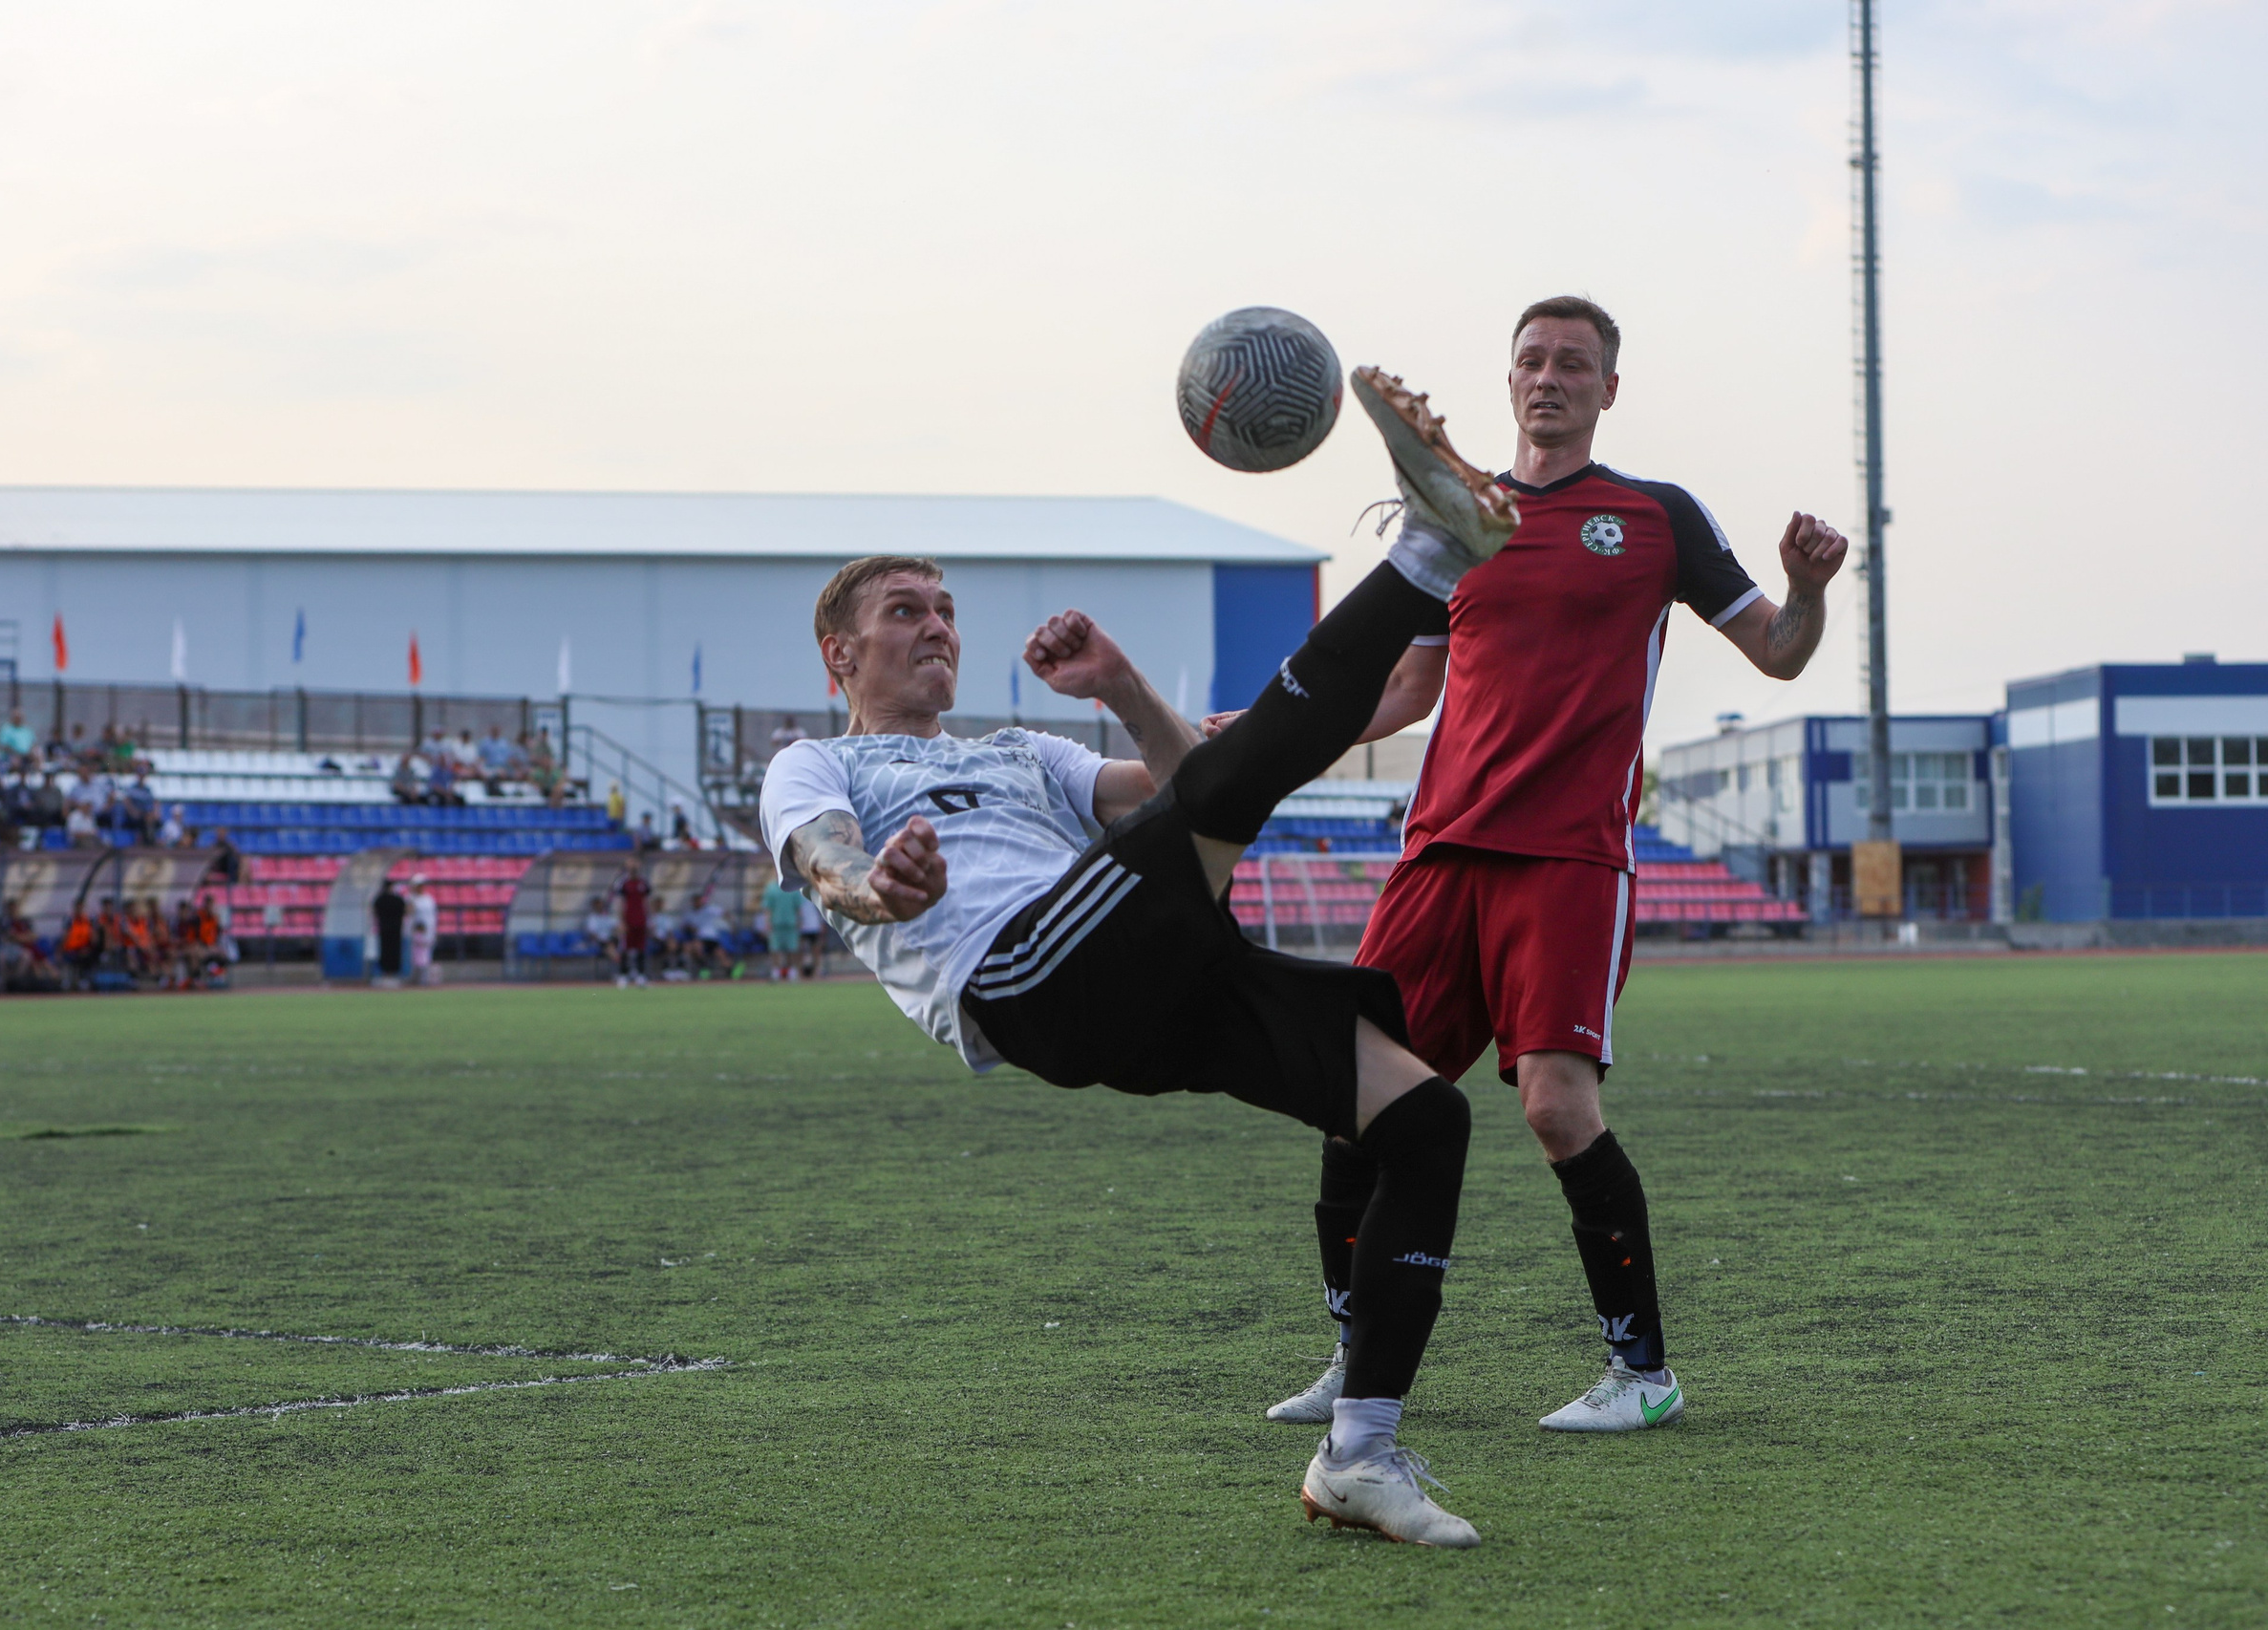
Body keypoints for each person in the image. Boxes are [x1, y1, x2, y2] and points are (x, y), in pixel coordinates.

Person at [761, 432, 1516, 1548]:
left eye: (946, 607)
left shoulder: (1022, 748)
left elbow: (1181, 779)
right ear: (840, 653)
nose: (937, 625)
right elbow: (826, 860)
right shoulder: (817, 763)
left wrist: (1116, 681)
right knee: (1228, 784)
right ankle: (1427, 553)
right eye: (905, 610)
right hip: (1030, 974)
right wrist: (878, 884)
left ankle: (1357, 1452)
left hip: (1151, 970)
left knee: (1423, 1115)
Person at [1215, 298, 1850, 1437]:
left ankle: (1641, 1369)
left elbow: (1778, 651)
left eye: (1573, 363)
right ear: (1506, 383)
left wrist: (1805, 590)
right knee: (1351, 1093)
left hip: (1568, 857)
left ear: (1609, 390)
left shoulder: (1654, 518)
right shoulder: (1452, 523)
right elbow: (1403, 692)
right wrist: (1262, 732)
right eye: (1530, 361)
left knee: (1557, 1108)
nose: (1548, 377)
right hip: (1437, 850)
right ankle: (1354, 1353)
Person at [614, 857, 652, 987]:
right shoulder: (623, 883)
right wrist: (621, 921)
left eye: (635, 862)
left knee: (641, 948)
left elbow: (646, 902)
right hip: (628, 920)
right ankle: (623, 975)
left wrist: (649, 920)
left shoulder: (644, 883)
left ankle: (641, 975)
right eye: (631, 863)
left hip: (641, 920)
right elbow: (620, 903)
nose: (634, 865)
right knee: (625, 948)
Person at [760, 869, 802, 979]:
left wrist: (799, 920)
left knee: (792, 949)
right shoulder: (771, 888)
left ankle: (792, 971)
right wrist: (767, 922)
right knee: (775, 949)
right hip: (776, 923)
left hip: (791, 923)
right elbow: (768, 908)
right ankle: (775, 971)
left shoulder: (793, 887)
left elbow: (798, 907)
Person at [372, 876, 408, 985]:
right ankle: (394, 973)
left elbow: (374, 912)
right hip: (396, 929)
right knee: (395, 951)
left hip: (384, 929)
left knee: (384, 950)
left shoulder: (379, 899)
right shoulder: (398, 899)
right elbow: (406, 911)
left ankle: (385, 972)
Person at [407, 873, 440, 986]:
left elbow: (433, 917)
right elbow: (409, 915)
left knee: (426, 956)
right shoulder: (410, 899)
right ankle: (415, 980)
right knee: (415, 957)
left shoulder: (429, 899)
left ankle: (424, 981)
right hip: (416, 932)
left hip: (429, 932)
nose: (421, 887)